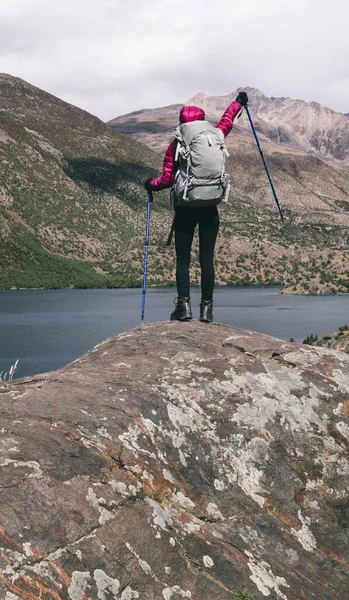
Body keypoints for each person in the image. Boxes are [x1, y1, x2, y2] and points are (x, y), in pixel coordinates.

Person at [144, 91, 248, 323]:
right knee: (206, 259)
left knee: (183, 259)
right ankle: (207, 310)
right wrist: (239, 103)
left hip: (186, 208)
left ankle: (184, 308)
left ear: (182, 122)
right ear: (202, 120)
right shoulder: (216, 135)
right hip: (210, 206)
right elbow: (227, 119)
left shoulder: (177, 145)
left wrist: (149, 184)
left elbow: (168, 179)